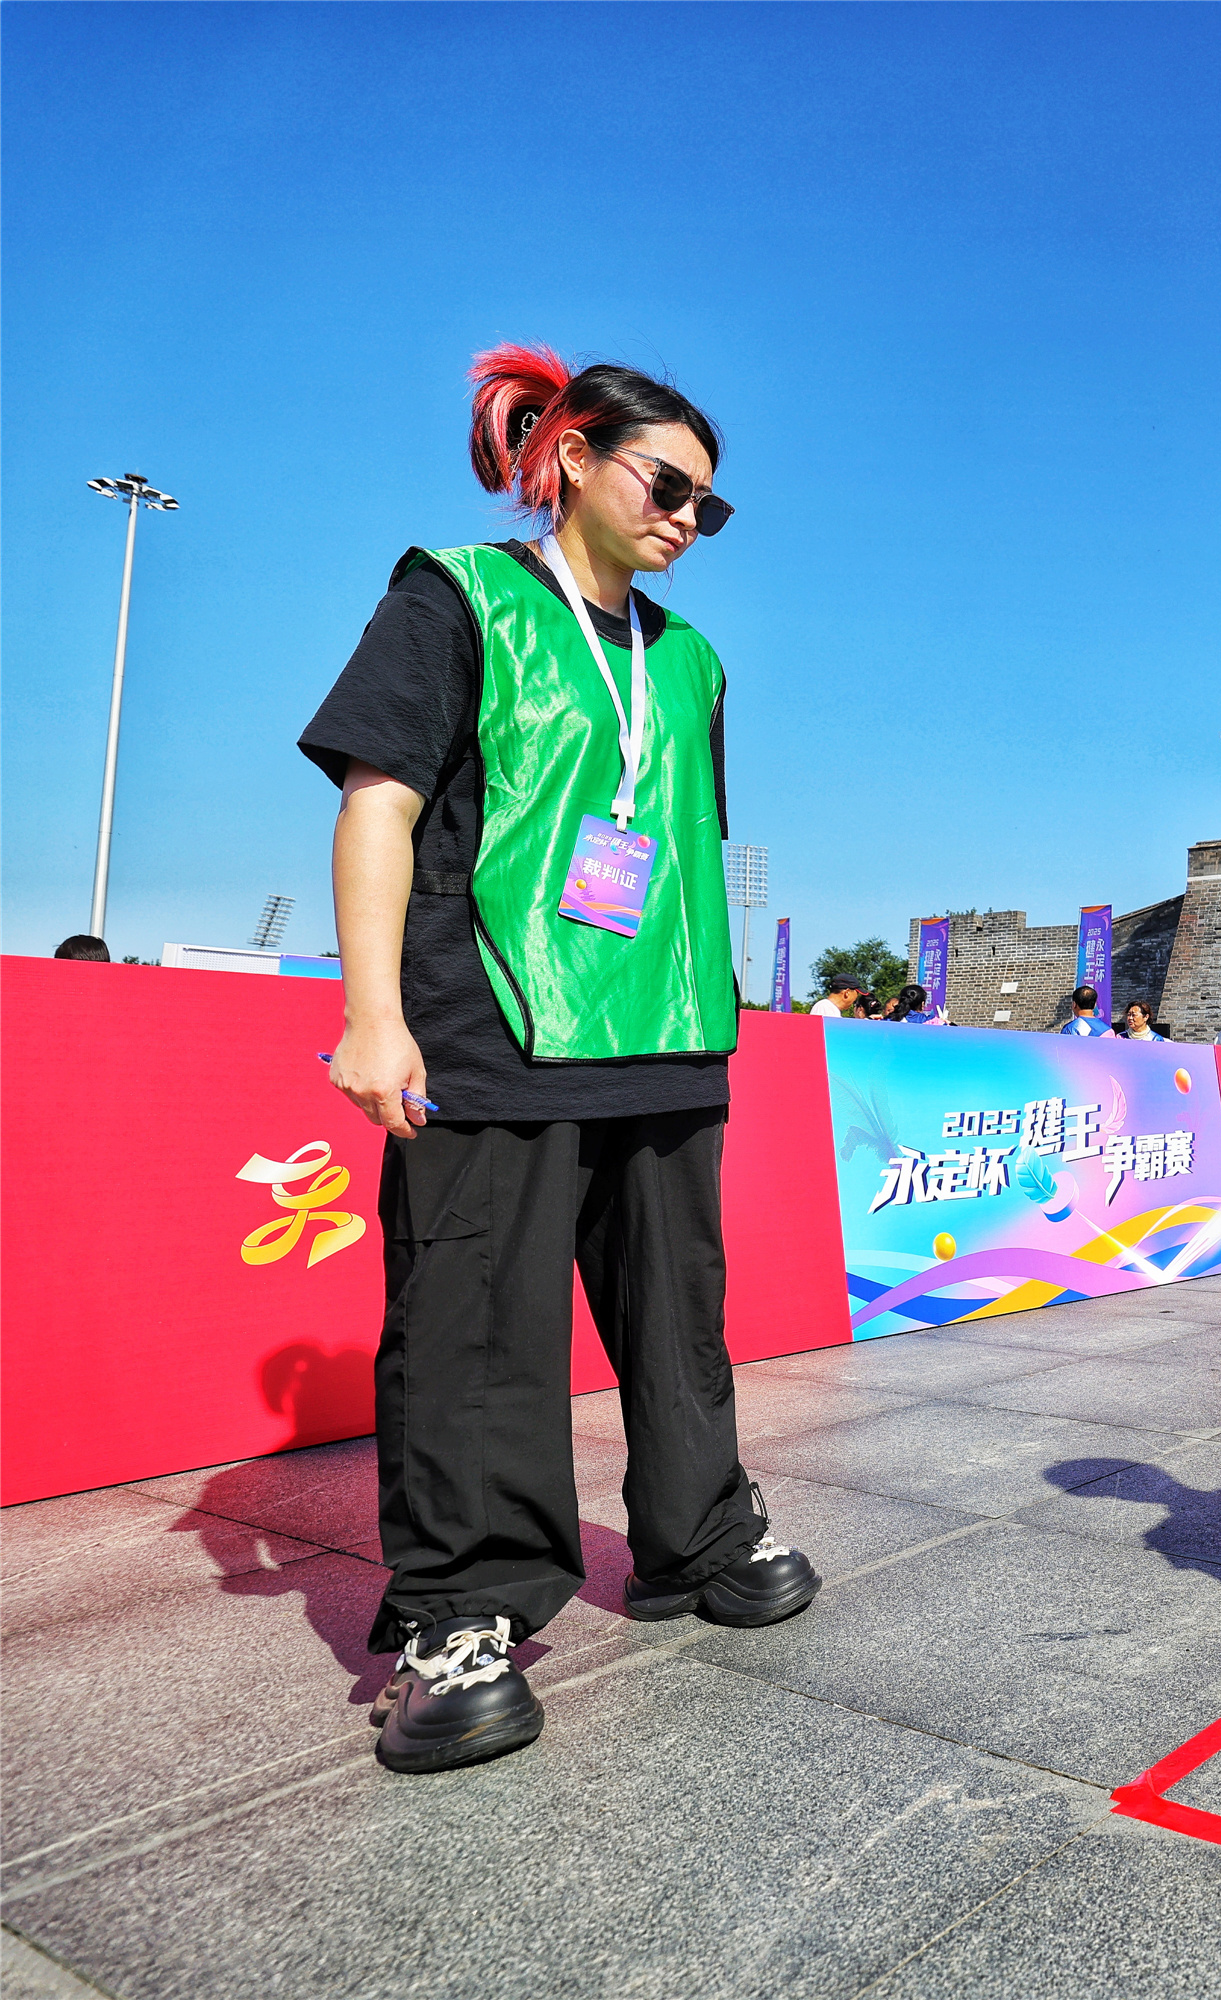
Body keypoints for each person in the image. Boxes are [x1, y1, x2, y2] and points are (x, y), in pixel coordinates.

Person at [302, 343, 816, 1776]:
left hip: (666, 1030)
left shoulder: (692, 659)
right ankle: (461, 1619)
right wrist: (373, 1011)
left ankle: (698, 1537)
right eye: (668, 485)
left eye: (710, 507)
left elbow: (673, 843)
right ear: (575, 454)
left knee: (679, 1318)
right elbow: (379, 803)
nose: (688, 520)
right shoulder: (456, 595)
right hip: (494, 1023)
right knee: (478, 1329)